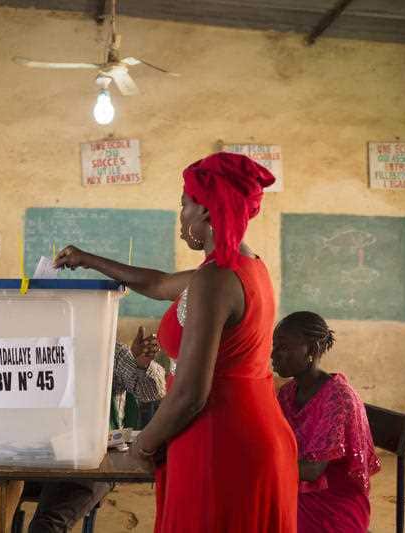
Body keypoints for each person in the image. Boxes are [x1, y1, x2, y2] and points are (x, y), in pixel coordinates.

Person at [55, 152, 298, 532]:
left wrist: (144, 445)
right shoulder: (246, 268)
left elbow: (190, 394)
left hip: (221, 439)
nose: (181, 214)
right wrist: (88, 260)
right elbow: (157, 283)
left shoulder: (216, 280)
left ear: (206, 209)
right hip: (251, 431)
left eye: (184, 203)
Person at [24, 328, 167, 533]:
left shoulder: (111, 352)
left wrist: (141, 364)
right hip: (32, 457)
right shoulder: (27, 346)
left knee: (46, 526)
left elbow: (151, 391)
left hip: (92, 462)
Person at [272, 311, 381, 533]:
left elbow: (312, 470)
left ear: (311, 350)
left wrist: (258, 466)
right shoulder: (288, 393)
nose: (273, 355)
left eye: (283, 347)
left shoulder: (338, 398)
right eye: (274, 346)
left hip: (333, 503)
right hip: (300, 491)